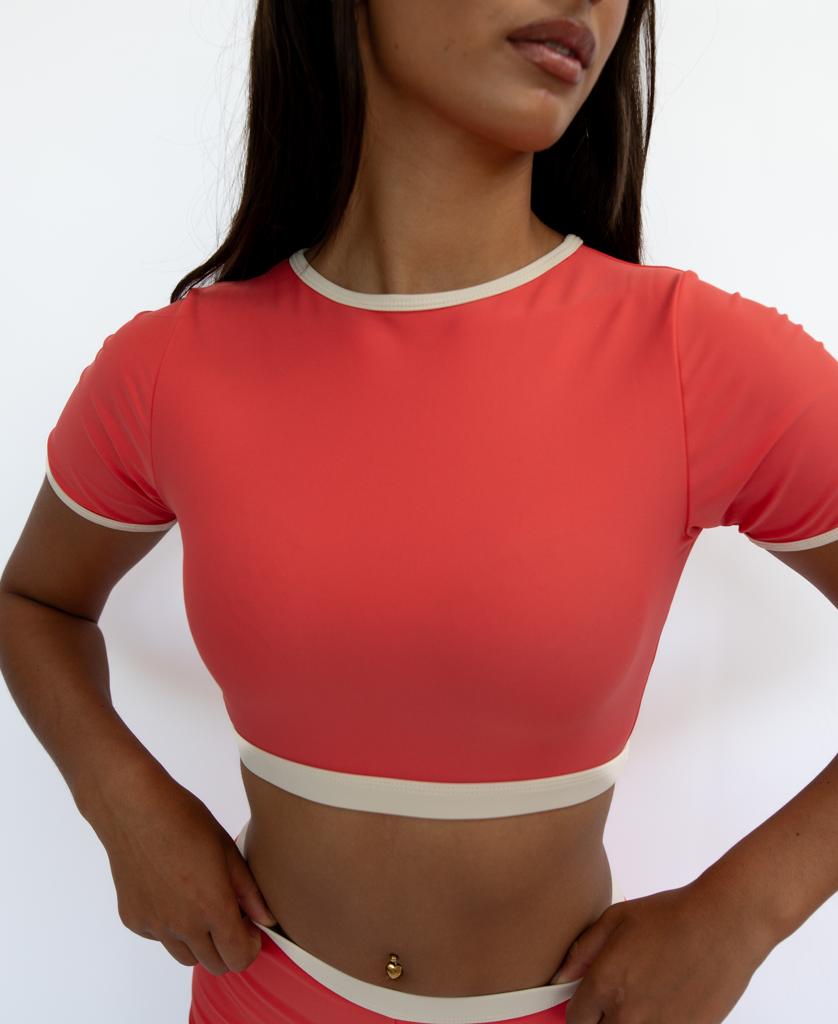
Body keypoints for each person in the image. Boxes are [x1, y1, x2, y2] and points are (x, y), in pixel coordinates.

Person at [3, 2, 838, 1022]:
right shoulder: (170, 367)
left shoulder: (691, 358)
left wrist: (743, 912)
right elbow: (33, 602)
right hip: (256, 997)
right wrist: (123, 802)